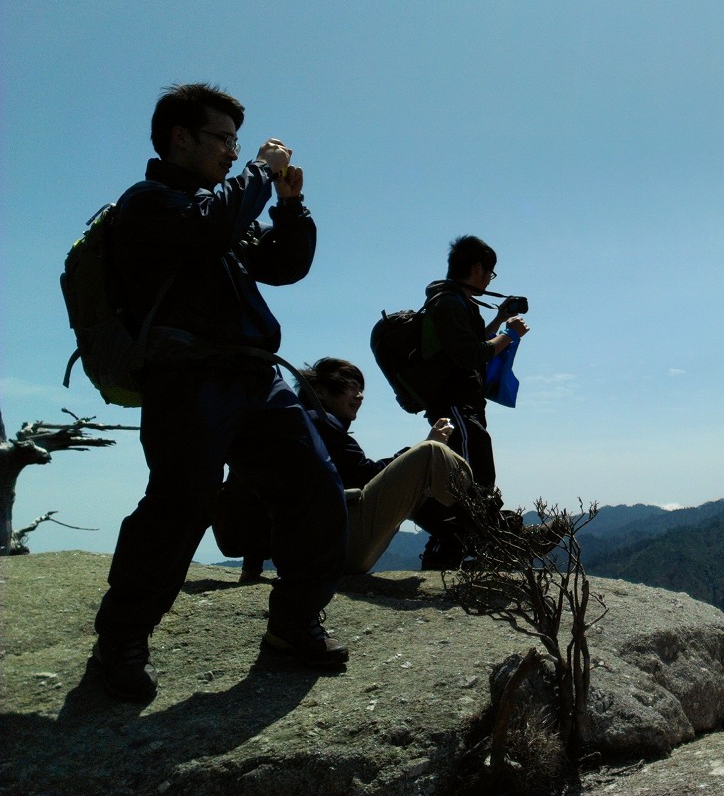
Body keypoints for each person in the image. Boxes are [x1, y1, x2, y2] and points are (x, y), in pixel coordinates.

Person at [91, 83, 349, 703]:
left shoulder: (219, 208)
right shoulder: (149, 203)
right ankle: (120, 641)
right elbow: (209, 229)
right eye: (224, 140)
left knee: (315, 486)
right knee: (180, 504)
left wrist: (291, 207)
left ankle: (293, 624)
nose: (233, 152)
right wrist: (260, 170)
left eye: (238, 143)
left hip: (255, 376)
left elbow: (283, 266)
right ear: (180, 138)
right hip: (186, 377)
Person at [218, 357, 478, 579]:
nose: (360, 395)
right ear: (320, 392)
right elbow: (366, 474)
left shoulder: (288, 427)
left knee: (419, 472)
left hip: (315, 551)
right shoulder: (317, 422)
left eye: (361, 389)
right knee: (431, 453)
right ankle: (482, 532)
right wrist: (426, 445)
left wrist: (252, 566)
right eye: (351, 387)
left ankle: (457, 538)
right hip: (336, 550)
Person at [416, 235, 529, 568]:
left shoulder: (457, 302)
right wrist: (509, 335)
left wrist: (498, 321)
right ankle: (465, 549)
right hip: (454, 403)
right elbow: (470, 355)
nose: (489, 280)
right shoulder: (448, 303)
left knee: (474, 473)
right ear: (478, 268)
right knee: (471, 476)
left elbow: (470, 343)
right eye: (489, 273)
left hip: (464, 403)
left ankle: (463, 546)